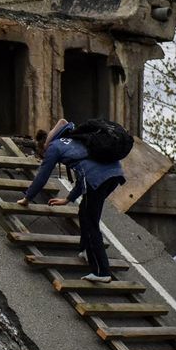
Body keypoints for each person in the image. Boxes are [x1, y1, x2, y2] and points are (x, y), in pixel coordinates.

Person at [17, 119, 126, 283]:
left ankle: (101, 271)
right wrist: (68, 199)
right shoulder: (76, 139)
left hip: (96, 179)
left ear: (43, 147)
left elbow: (42, 176)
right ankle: (85, 250)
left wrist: (27, 197)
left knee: (91, 223)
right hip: (114, 175)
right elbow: (85, 172)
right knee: (85, 211)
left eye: (42, 155)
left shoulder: (54, 147)